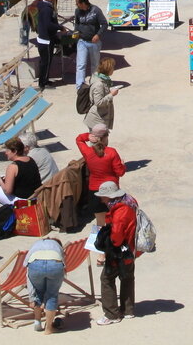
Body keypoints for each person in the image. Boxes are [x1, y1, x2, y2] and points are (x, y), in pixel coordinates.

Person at [93, 182, 137, 324]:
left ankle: (112, 314)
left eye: (103, 196)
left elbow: (116, 237)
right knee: (127, 277)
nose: (101, 200)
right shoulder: (129, 202)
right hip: (130, 249)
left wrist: (107, 247)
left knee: (106, 279)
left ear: (109, 196)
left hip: (118, 252)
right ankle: (127, 310)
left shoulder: (119, 211)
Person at [76, 124, 126, 221]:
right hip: (111, 191)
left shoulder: (88, 152)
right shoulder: (112, 152)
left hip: (94, 191)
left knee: (99, 222)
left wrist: (88, 136)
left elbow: (79, 139)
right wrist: (123, 165)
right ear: (106, 137)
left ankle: (96, 236)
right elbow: (120, 172)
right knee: (114, 222)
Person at [24, 230, 67, 334]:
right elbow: (64, 264)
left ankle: (37, 322)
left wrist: (31, 297)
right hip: (55, 264)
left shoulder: (37, 244)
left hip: (35, 263)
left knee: (38, 291)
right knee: (52, 295)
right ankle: (48, 329)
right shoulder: (58, 247)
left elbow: (27, 272)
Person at [0, 137, 42, 208]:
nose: (5, 153)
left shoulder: (13, 166)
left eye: (7, 150)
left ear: (14, 151)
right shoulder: (31, 159)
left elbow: (8, 191)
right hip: (35, 198)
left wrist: (0, 181)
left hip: (22, 202)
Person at [71, 0, 109, 89]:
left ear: (83, 3)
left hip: (94, 42)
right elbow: (77, 24)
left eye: (77, 3)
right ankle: (79, 85)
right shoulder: (77, 11)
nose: (76, 5)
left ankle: (94, 83)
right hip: (82, 42)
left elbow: (104, 24)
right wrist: (75, 34)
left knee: (95, 65)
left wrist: (98, 35)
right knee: (81, 64)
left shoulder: (96, 10)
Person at [32, 0, 63, 89]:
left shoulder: (46, 6)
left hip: (46, 38)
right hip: (45, 40)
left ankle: (45, 79)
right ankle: (42, 83)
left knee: (47, 61)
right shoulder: (46, 9)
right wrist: (60, 27)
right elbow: (48, 25)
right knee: (46, 62)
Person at [84, 56, 120, 131]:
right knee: (97, 142)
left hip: (100, 118)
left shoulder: (103, 79)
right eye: (112, 67)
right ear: (108, 69)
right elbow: (98, 102)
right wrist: (111, 94)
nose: (113, 69)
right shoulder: (99, 84)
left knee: (101, 141)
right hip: (97, 120)